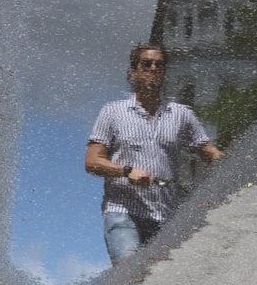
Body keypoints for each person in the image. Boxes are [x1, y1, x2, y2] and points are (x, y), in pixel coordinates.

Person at [85, 43, 223, 263]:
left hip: (166, 215)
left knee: (159, 283)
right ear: (133, 72)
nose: (153, 68)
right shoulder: (112, 112)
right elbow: (92, 162)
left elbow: (209, 153)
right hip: (122, 212)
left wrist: (246, 165)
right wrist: (126, 171)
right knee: (129, 274)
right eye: (146, 63)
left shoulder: (182, 114)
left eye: (159, 65)